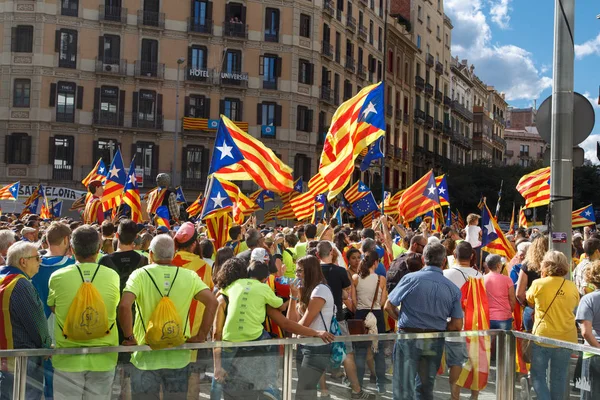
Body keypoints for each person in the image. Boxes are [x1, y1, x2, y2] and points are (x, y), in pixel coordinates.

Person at [118, 234, 218, 400]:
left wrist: (129, 337)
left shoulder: (139, 275)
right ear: (173, 255)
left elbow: (124, 305)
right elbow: (212, 302)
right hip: (178, 356)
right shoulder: (189, 276)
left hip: (145, 356)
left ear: (151, 254)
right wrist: (200, 336)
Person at [48, 225, 120, 400]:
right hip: (103, 357)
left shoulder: (57, 276)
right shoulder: (112, 276)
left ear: (71, 250)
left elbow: (54, 308)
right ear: (98, 249)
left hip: (68, 357)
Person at [385, 242, 463, 400]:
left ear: (423, 259)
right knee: (426, 387)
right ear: (443, 262)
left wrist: (403, 319)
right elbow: (457, 325)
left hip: (408, 337)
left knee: (402, 387)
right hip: (434, 339)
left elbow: (388, 306)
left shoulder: (410, 279)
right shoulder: (452, 289)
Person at [0, 241, 51, 400]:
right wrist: (46, 345)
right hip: (22, 360)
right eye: (37, 258)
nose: (40, 262)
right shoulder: (20, 284)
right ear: (23, 261)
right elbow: (36, 322)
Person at [527, 250, 579, 399]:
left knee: (537, 375)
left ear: (545, 265)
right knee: (559, 377)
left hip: (543, 336)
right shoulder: (572, 286)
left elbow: (529, 301)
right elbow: (575, 305)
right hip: (567, 337)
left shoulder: (538, 284)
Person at [31, 222, 74, 400]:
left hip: (36, 327)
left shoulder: (32, 265)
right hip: (65, 329)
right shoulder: (72, 265)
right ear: (66, 240)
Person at [286, 256, 337, 400]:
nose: (297, 275)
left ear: (310, 270)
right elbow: (292, 323)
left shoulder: (320, 290)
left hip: (317, 348)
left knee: (303, 394)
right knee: (308, 394)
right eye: (296, 271)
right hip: (303, 346)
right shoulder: (306, 290)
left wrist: (296, 329)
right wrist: (293, 297)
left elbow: (300, 325)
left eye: (300, 271)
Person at [443, 241, 484, 400]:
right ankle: (474, 396)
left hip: (453, 325)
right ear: (472, 256)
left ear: (454, 255)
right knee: (474, 362)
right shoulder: (480, 276)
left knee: (455, 363)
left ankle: (455, 397)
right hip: (475, 325)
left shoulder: (446, 274)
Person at [351, 250, 388, 394]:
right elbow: (384, 301)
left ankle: (359, 383)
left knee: (359, 352)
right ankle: (381, 385)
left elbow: (353, 301)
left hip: (360, 315)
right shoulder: (381, 279)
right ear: (376, 262)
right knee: (379, 352)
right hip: (377, 315)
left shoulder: (356, 278)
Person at [576, 260, 600, 399]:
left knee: (589, 395)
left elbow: (585, 332)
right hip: (594, 351)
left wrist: (597, 348)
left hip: (592, 353)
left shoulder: (588, 299)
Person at [516, 235, 548, 331]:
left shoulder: (527, 265)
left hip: (532, 308)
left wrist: (528, 305)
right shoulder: (553, 265)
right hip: (551, 309)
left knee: (529, 342)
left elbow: (519, 293)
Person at [484, 254, 516, 330]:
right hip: (504, 317)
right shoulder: (507, 280)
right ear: (498, 265)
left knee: (488, 341)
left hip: (487, 317)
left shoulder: (482, 279)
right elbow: (512, 300)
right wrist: (509, 311)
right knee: (503, 341)